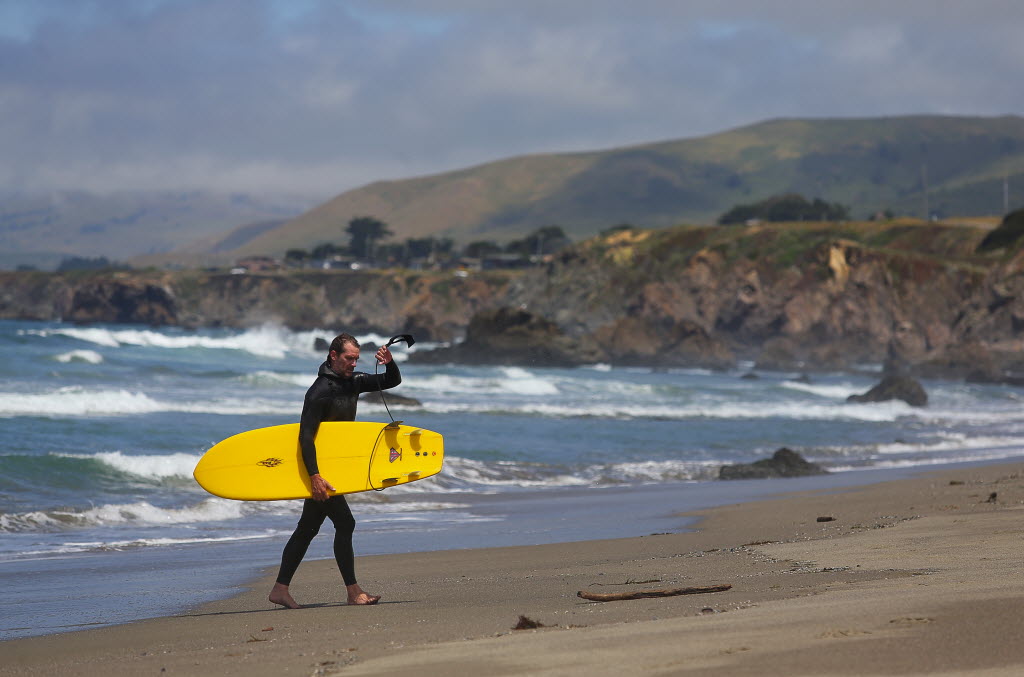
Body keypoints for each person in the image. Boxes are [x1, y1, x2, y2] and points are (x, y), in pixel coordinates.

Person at [268, 332, 401, 609]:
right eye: (349, 358)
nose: (354, 364)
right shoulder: (319, 391)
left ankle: (280, 589)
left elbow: (392, 381)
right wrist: (314, 476)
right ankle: (354, 592)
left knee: (307, 528)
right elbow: (305, 438)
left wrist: (389, 362)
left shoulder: (354, 382)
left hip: (335, 468)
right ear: (333, 356)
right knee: (345, 523)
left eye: (356, 359)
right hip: (320, 471)